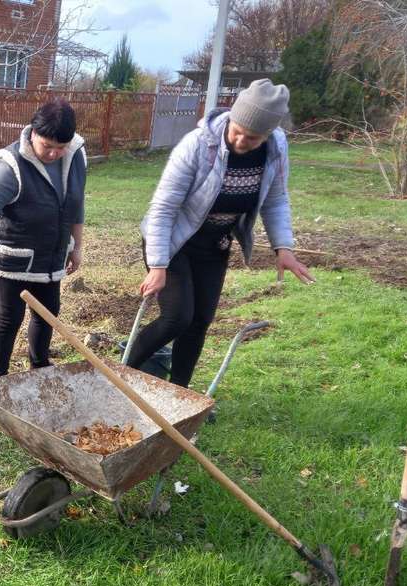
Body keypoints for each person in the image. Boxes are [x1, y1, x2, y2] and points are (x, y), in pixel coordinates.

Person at [126, 79, 314, 387]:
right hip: (173, 241)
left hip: (214, 244)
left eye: (252, 137)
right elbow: (163, 207)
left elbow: (276, 199)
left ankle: (179, 395)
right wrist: (158, 266)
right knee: (177, 317)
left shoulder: (275, 149)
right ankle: (115, 376)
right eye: (237, 130)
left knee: (199, 322)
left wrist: (285, 249)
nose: (241, 140)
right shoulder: (198, 144)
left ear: (268, 135)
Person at [0, 100, 86, 377]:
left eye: (61, 147)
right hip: (13, 258)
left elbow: (76, 205)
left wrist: (76, 246)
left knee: (48, 314)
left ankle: (39, 366)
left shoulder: (75, 156)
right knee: (10, 318)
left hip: (51, 255)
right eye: (48, 146)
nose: (54, 153)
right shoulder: (10, 167)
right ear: (33, 132)